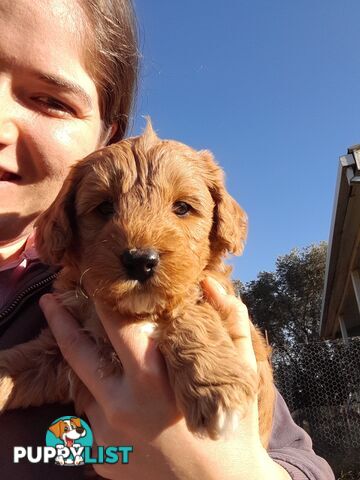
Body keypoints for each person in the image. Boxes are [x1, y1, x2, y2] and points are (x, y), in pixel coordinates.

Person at [0, 0, 335, 479]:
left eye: (183, 208)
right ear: (68, 227)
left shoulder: (222, 319)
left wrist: (224, 470)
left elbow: (306, 467)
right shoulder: (70, 295)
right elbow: (46, 366)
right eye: (104, 209)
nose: (138, 241)